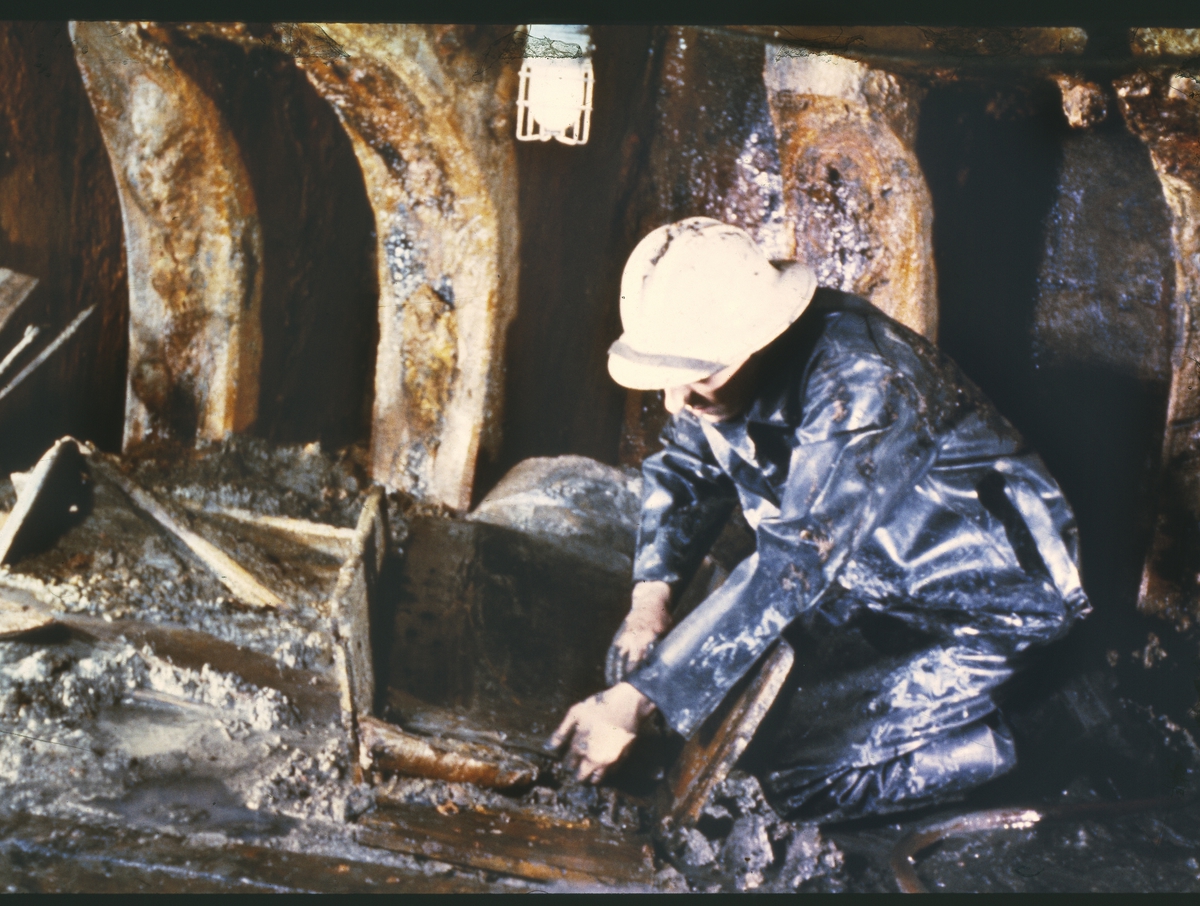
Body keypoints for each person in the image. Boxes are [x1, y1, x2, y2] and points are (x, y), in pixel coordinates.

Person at [547, 217, 1092, 823]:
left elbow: (796, 561)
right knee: (731, 733)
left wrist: (638, 697)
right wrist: (650, 601)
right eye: (667, 382)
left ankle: (1019, 743)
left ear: (760, 338)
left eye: (697, 378)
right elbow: (685, 469)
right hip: (870, 589)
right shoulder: (721, 367)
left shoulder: (864, 382)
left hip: (987, 610)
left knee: (787, 784)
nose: (678, 402)